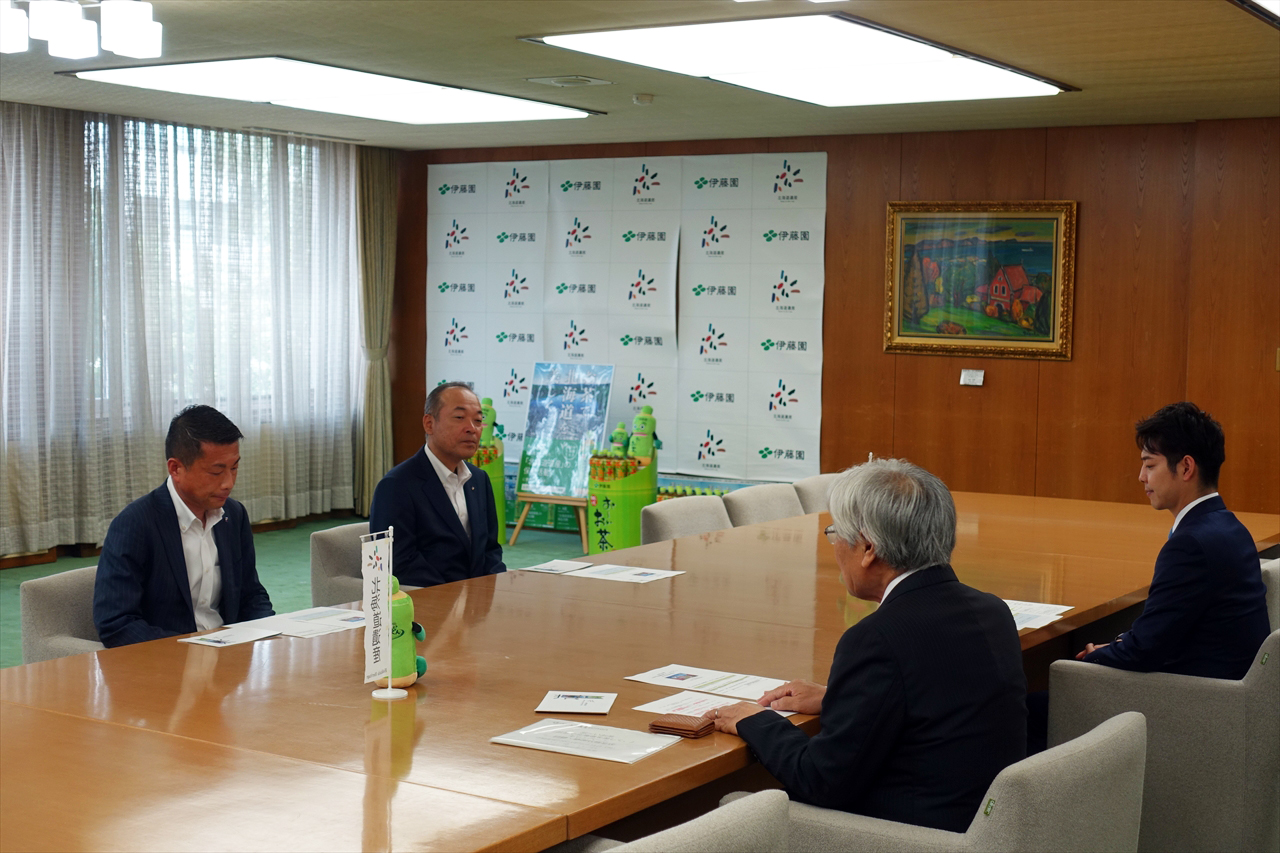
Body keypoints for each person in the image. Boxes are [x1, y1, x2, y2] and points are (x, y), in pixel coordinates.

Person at [704, 459, 1026, 833]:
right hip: (988, 828)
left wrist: (755, 721)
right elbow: (938, 694)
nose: (834, 547)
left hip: (911, 838)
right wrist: (841, 698)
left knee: (735, 815)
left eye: (836, 534)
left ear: (869, 547)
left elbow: (820, 781)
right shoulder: (991, 609)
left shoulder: (877, 639)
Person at [1076, 402, 1269, 678]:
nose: (1141, 477)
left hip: (1194, 695)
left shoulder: (1190, 545)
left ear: (1186, 467)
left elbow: (1143, 652)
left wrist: (1094, 656)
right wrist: (1120, 643)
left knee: (1040, 697)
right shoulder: (1231, 527)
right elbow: (1165, 630)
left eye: (1150, 465)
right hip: (1229, 687)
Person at [93, 405, 274, 648]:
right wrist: (190, 653)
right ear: (176, 468)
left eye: (234, 468)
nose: (228, 483)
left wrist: (271, 635)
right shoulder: (135, 524)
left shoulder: (234, 515)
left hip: (230, 655)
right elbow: (116, 623)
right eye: (216, 472)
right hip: (169, 660)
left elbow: (250, 595)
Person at [369, 382, 505, 588]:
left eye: (478, 420)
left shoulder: (478, 479)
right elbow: (398, 562)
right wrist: (455, 597)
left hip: (477, 599)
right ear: (429, 424)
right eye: (459, 417)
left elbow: (490, 549)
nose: (472, 428)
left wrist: (493, 590)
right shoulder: (397, 485)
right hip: (431, 598)